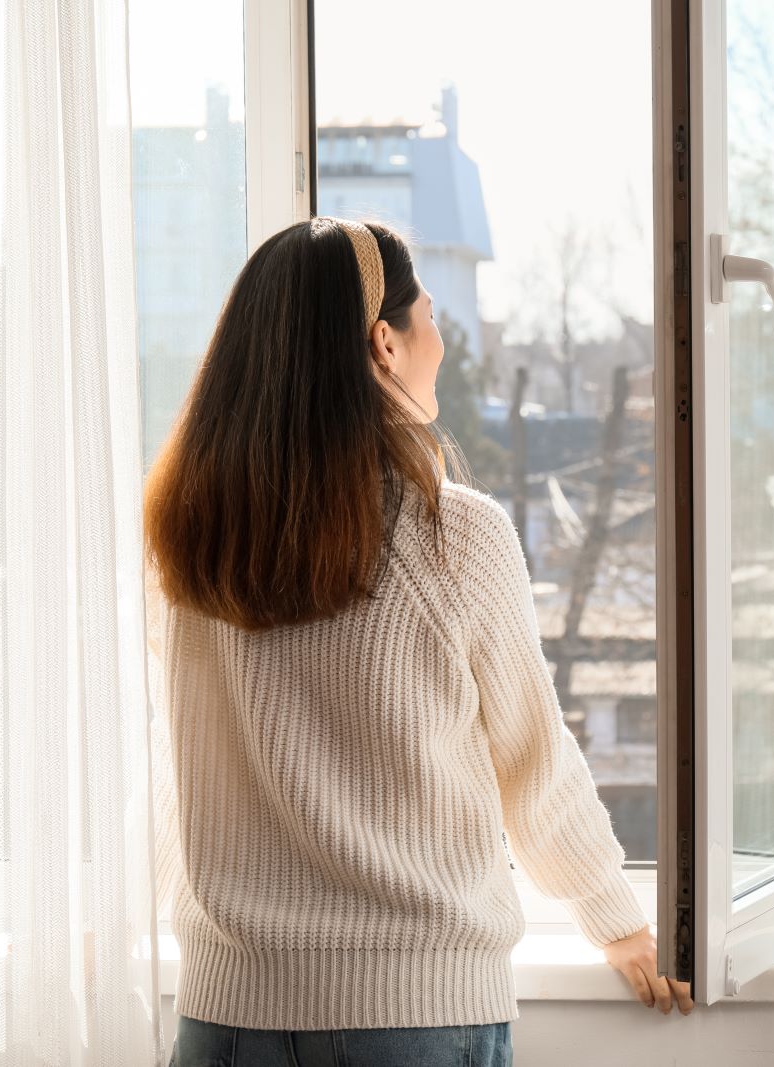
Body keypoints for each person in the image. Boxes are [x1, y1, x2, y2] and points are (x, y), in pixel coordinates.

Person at [144, 215, 693, 1067]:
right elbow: (533, 768)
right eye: (430, 316)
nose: (441, 340)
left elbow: (180, 770)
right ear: (384, 344)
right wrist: (620, 922)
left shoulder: (188, 535)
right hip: (411, 1014)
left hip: (224, 1014)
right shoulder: (450, 534)